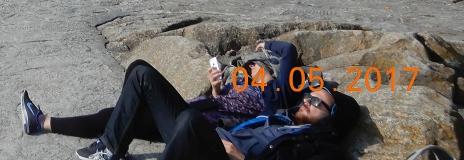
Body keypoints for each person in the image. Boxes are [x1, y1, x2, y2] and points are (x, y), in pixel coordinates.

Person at [20, 41, 352, 160]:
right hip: (204, 126)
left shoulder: (277, 102)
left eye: (317, 103)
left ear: (331, 118)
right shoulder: (279, 118)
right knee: (139, 73)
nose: (307, 102)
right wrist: (218, 90)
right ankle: (100, 145)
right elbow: (226, 113)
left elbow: (289, 53)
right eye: (309, 96)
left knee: (189, 122)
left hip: (208, 138)